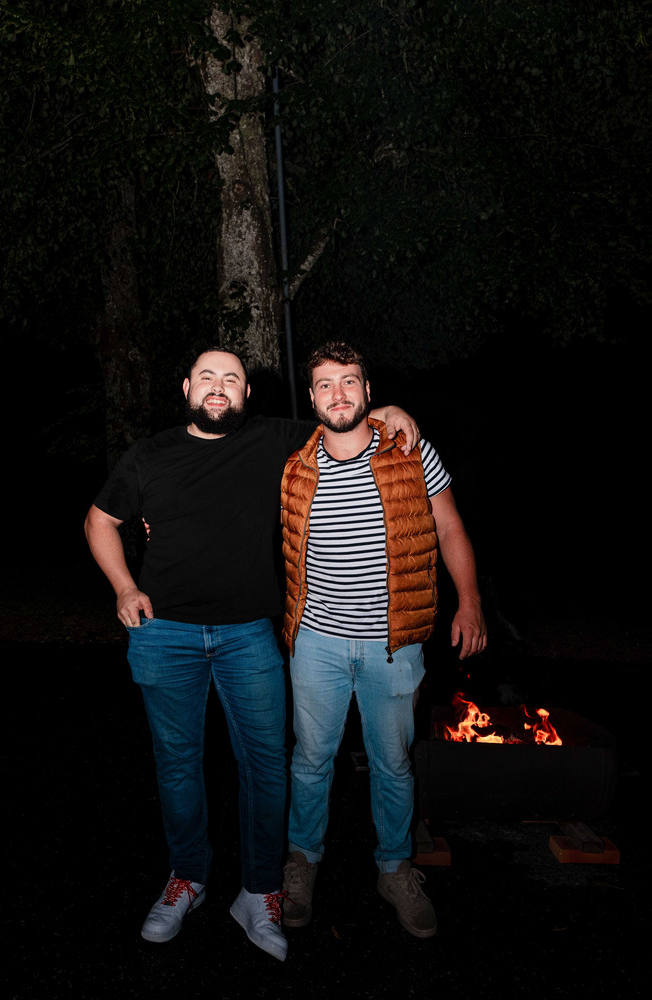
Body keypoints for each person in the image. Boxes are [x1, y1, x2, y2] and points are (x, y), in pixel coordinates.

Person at [83, 345, 419, 961]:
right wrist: (125, 588)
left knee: (266, 765)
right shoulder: (148, 454)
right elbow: (98, 521)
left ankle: (260, 890)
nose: (218, 386)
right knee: (178, 763)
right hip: (165, 632)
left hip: (248, 634)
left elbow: (341, 414)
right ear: (187, 388)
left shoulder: (272, 439)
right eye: (206, 376)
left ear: (245, 393)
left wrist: (390, 410)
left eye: (231, 378)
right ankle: (187, 877)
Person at [280, 341, 487, 939]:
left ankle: (394, 869)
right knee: (311, 761)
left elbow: (450, 526)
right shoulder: (294, 464)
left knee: (393, 763)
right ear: (312, 396)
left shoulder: (409, 451)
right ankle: (302, 862)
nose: (338, 393)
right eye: (325, 383)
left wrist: (470, 601)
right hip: (315, 642)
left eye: (349, 381)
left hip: (393, 644)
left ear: (368, 391)